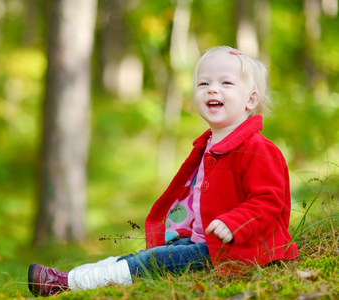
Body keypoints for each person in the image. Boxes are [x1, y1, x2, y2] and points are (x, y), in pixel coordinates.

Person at [27, 46, 299, 297]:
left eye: (226, 83)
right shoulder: (208, 146)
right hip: (205, 244)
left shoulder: (258, 148)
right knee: (155, 254)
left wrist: (234, 222)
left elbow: (269, 199)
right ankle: (74, 277)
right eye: (204, 83)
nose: (212, 90)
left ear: (251, 99)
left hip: (240, 249)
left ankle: (69, 285)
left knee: (155, 261)